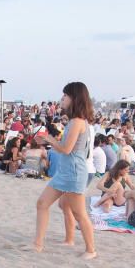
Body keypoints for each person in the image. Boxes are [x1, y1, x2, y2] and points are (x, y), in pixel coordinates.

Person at [33, 82, 97, 258]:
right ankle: (37, 244)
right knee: (42, 203)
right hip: (65, 171)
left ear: (74, 99)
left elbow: (67, 149)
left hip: (74, 172)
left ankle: (91, 250)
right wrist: (48, 141)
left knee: (79, 213)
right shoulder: (74, 121)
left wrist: (49, 139)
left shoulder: (77, 121)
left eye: (65, 96)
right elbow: (66, 148)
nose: (62, 99)